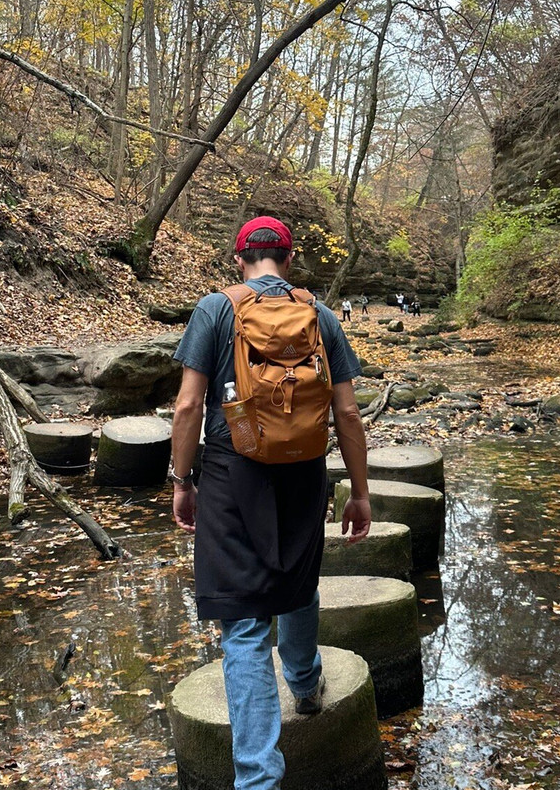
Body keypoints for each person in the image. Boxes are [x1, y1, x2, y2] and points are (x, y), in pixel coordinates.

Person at [169, 215, 372, 790]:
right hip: (305, 471)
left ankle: (258, 780)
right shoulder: (321, 315)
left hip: (234, 474)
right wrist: (359, 492)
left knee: (243, 622)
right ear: (289, 259)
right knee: (298, 579)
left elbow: (187, 408)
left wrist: (183, 481)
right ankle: (305, 686)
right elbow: (348, 413)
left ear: (239, 258)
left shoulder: (216, 309)